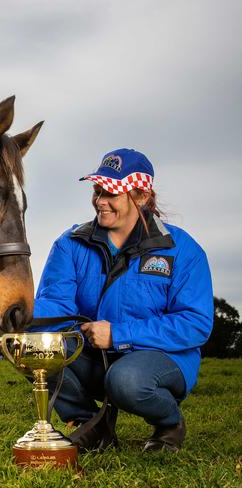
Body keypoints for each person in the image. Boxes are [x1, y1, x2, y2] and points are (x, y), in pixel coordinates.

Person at [33, 148, 213, 452]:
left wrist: (119, 334)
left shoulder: (183, 250)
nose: (100, 200)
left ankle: (169, 423)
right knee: (37, 348)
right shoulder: (70, 243)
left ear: (141, 196)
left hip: (160, 357)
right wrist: (15, 314)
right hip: (91, 352)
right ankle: (90, 425)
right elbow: (55, 306)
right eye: (97, 190)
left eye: (111, 193)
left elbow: (195, 324)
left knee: (126, 380)